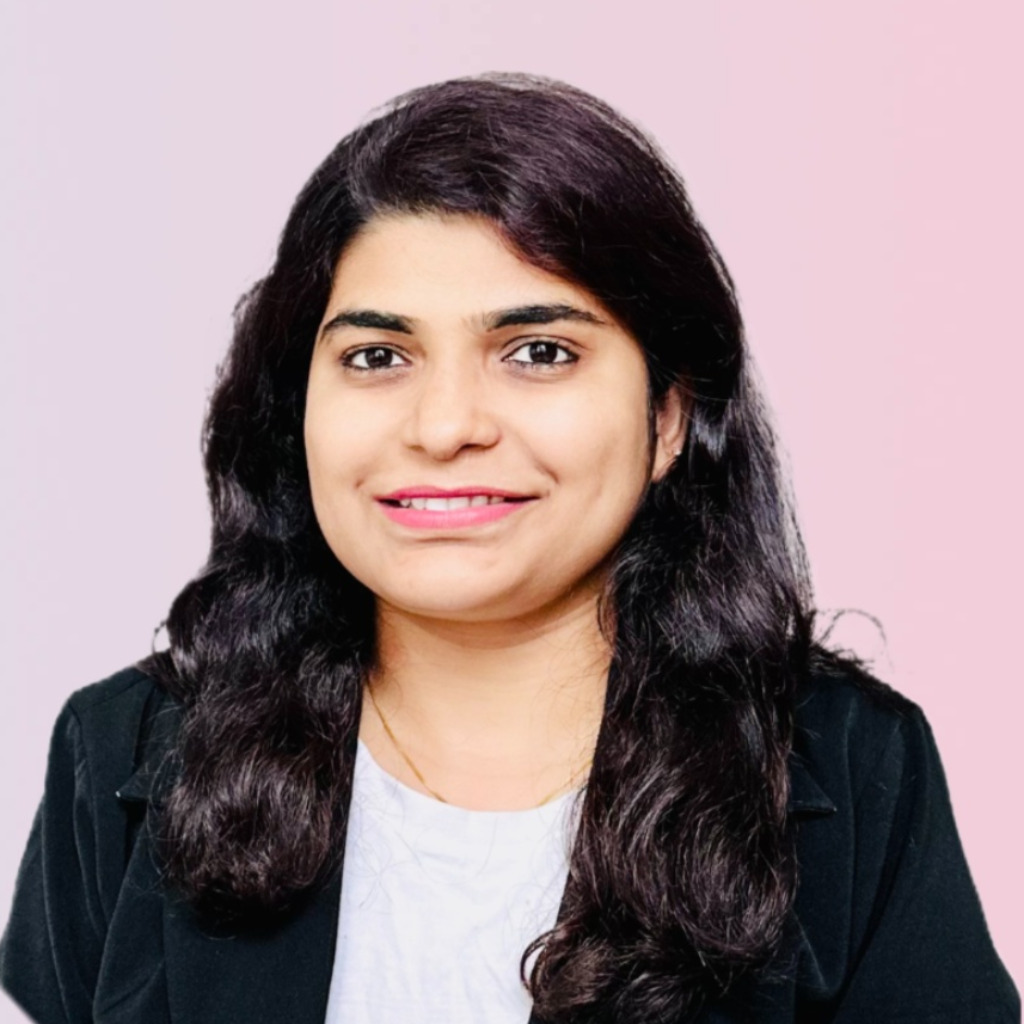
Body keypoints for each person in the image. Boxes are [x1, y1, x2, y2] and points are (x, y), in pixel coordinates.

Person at [0, 73, 1017, 1024]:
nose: (445, 426)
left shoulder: (849, 767)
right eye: (377, 356)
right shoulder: (123, 752)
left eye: (538, 352)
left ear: (668, 417)